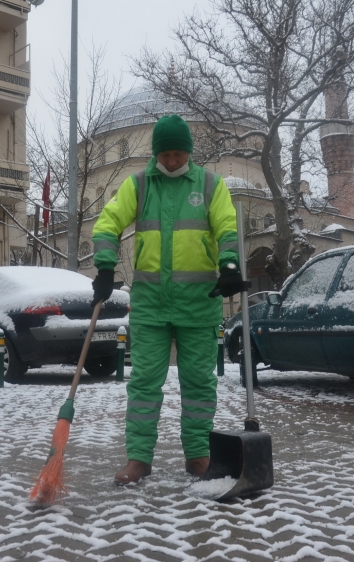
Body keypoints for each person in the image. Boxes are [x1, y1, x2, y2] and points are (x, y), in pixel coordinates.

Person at [90, 114, 250, 485]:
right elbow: (108, 222)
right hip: (150, 306)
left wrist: (229, 265)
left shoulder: (211, 185)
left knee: (198, 382)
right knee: (144, 382)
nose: (173, 161)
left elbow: (227, 225)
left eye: (179, 154)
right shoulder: (140, 185)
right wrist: (103, 266)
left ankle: (198, 455)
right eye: (166, 155)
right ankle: (139, 458)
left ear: (189, 153)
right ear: (156, 154)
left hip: (199, 303)